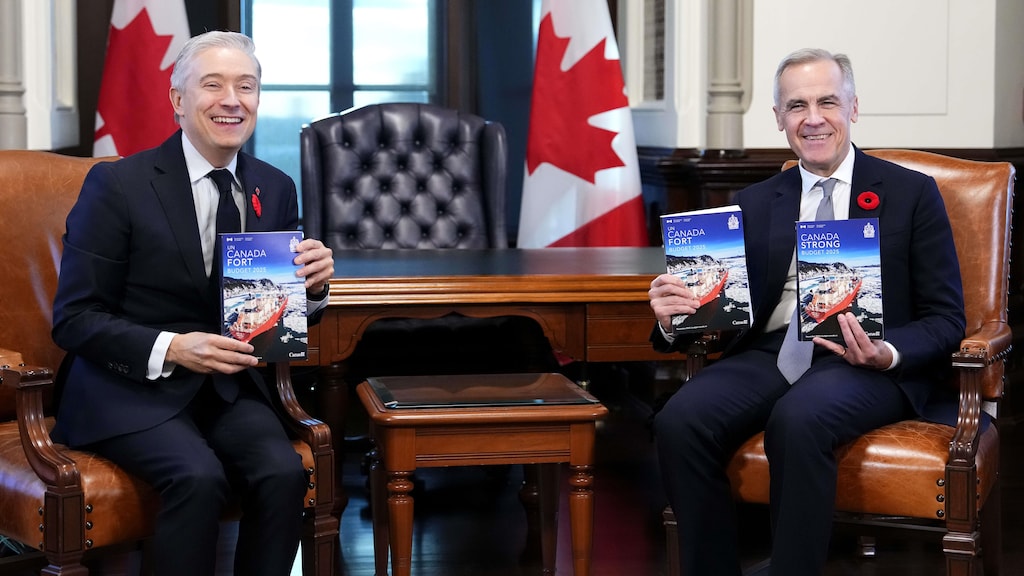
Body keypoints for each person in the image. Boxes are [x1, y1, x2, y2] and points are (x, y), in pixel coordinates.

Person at [648, 48, 965, 576]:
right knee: (680, 420)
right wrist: (671, 316)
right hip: (770, 353)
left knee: (798, 419)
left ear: (853, 108)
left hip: (863, 361)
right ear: (778, 119)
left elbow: (947, 317)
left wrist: (887, 353)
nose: (813, 118)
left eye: (827, 102)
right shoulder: (753, 201)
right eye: (797, 105)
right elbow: (720, 310)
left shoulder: (911, 194)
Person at [50, 31, 335, 576]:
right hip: (127, 384)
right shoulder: (116, 185)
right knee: (197, 478)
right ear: (178, 101)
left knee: (283, 473)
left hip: (225, 387)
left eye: (246, 87)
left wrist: (313, 291)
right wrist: (175, 348)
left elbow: (268, 311)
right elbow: (75, 319)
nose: (232, 100)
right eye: (214, 85)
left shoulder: (273, 187)